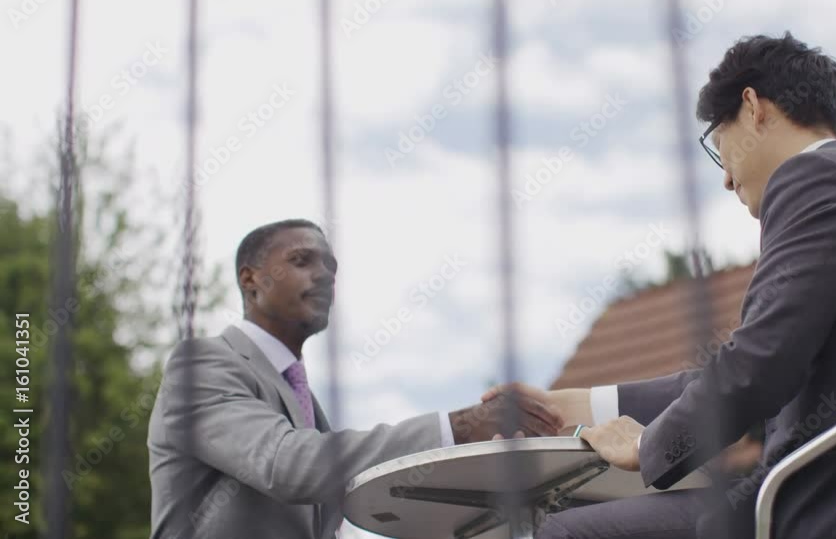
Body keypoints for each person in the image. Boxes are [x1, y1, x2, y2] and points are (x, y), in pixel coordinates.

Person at [490, 33, 836, 538]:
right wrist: (565, 408)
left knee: (563, 531)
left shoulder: (819, 177)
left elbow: (759, 361)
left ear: (753, 107)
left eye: (720, 149)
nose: (727, 180)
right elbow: (741, 367)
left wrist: (649, 448)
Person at [148, 219, 563, 539]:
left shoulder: (307, 404)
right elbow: (285, 464)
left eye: (331, 266)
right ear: (250, 279)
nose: (325, 275)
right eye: (301, 260)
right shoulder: (201, 364)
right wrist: (457, 427)